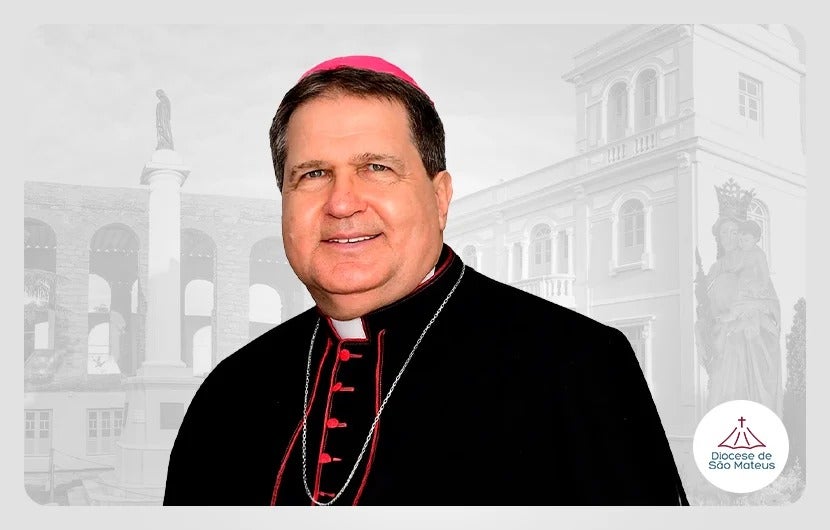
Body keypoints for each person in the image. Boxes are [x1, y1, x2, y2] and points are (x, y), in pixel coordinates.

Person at [163, 55, 687, 506]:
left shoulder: (579, 365)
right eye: (313, 174)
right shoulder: (229, 395)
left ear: (440, 199)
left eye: (376, 168)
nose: (342, 203)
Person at [702, 216, 781, 415]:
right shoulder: (716, 268)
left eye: (734, 232)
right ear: (718, 237)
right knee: (718, 403)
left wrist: (744, 313)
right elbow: (705, 308)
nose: (729, 237)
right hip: (722, 344)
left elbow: (770, 303)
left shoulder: (752, 259)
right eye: (724, 232)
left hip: (747, 344)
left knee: (742, 404)